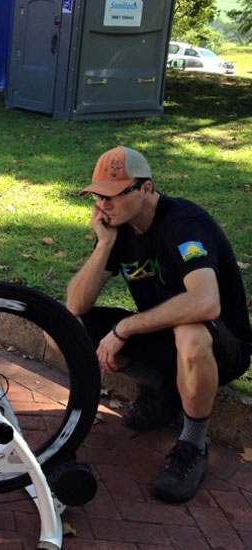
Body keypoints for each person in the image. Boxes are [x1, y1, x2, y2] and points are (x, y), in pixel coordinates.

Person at [66, 145, 252, 503]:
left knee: (191, 330)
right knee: (75, 324)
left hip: (221, 347)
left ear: (146, 189)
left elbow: (205, 302)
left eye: (112, 196)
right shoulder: (119, 228)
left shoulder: (183, 224)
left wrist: (125, 329)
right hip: (168, 339)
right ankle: (163, 392)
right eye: (97, 196)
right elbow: (76, 302)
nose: (103, 205)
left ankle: (193, 446)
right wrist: (103, 245)